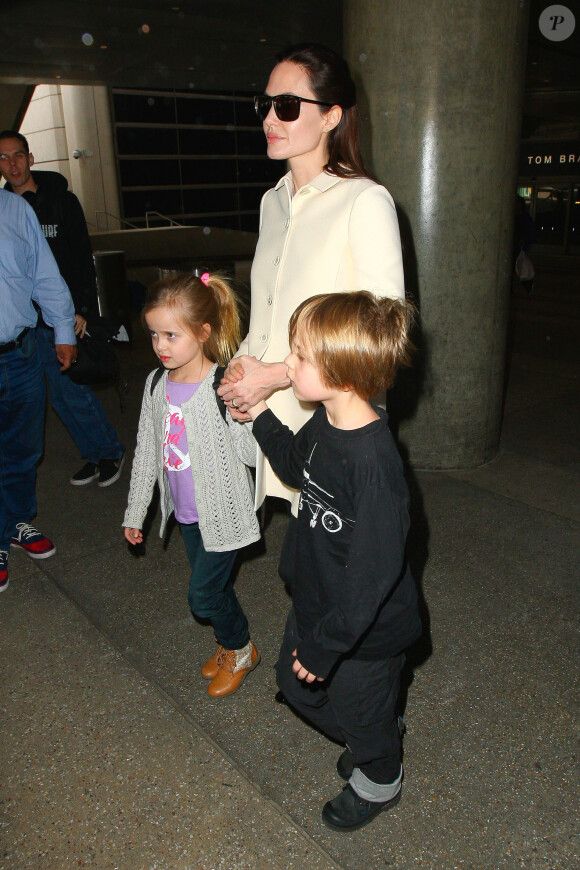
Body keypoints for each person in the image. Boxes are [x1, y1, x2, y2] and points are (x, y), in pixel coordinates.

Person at [246, 291, 422, 832]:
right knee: (295, 685)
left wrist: (327, 646)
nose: (288, 366)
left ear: (343, 374)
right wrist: (257, 415)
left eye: (299, 358)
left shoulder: (374, 467)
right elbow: (298, 466)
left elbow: (371, 581)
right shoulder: (326, 420)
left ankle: (380, 774)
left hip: (364, 633)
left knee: (359, 712)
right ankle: (375, 727)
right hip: (317, 600)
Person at [218, 43, 405, 511]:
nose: (269, 119)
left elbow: (379, 334)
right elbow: (269, 307)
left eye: (286, 106)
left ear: (331, 117)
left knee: (333, 567)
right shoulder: (272, 201)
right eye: (265, 105)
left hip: (333, 418)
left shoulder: (365, 201)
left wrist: (276, 375)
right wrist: (240, 368)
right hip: (271, 412)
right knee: (301, 563)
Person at [122, 272, 261, 697]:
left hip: (223, 512)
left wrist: (243, 415)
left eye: (171, 335)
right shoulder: (155, 386)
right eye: (153, 335)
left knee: (203, 596)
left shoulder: (222, 386)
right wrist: (135, 512)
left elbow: (254, 457)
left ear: (203, 333)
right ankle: (228, 644)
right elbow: (147, 451)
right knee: (213, 588)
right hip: (185, 514)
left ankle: (240, 649)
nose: (160, 346)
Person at [0, 130, 125, 487]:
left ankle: (109, 450)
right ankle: (92, 452)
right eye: (4, 158)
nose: (13, 164)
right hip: (25, 325)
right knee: (55, 397)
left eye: (18, 155)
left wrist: (80, 309)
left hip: (63, 318)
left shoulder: (61, 201)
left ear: (31, 158)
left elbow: (81, 259)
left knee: (72, 389)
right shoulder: (5, 210)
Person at [0, 187, 77, 591]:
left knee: (23, 449)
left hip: (20, 353)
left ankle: (15, 522)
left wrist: (63, 329)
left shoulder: (14, 209)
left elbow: (43, 274)